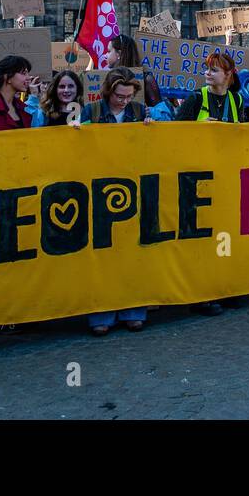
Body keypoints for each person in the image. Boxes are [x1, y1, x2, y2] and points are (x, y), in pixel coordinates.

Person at [79, 66, 150, 334]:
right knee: (102, 254)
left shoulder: (139, 113)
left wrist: (151, 130)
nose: (124, 101)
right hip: (99, 188)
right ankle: (102, 314)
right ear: (109, 92)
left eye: (129, 96)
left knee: (133, 253)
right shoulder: (92, 112)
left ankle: (134, 310)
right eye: (120, 96)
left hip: (133, 187)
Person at [175, 53, 245, 122]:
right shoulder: (195, 97)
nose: (207, 73)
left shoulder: (237, 99)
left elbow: (243, 130)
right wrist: (200, 127)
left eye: (214, 70)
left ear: (228, 74)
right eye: (207, 68)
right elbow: (178, 129)